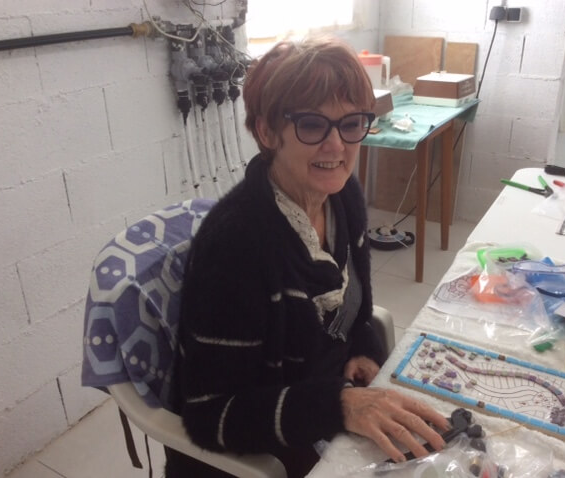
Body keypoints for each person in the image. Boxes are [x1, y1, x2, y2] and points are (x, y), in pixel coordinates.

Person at [165, 36, 449, 477]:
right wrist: (340, 405)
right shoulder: (236, 246)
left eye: (351, 123)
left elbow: (355, 315)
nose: (336, 146)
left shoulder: (343, 198)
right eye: (313, 125)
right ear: (266, 132)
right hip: (257, 455)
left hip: (321, 413)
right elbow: (210, 416)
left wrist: (363, 350)